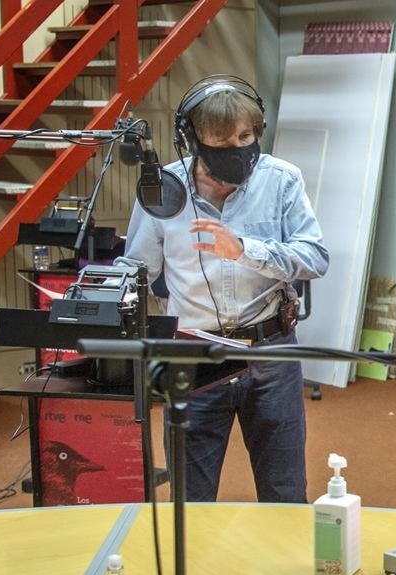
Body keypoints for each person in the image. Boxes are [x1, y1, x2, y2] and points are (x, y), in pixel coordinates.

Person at [125, 76, 329, 503]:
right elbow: (136, 270)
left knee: (285, 493)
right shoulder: (162, 189)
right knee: (190, 499)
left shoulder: (282, 180)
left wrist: (243, 250)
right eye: (221, 138)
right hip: (193, 357)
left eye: (245, 135)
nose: (236, 146)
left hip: (270, 353)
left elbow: (315, 258)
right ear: (192, 138)